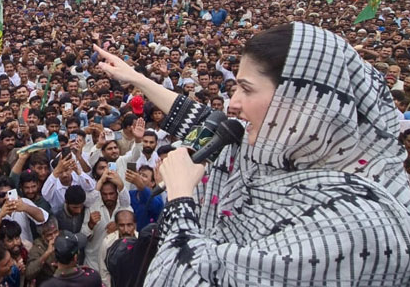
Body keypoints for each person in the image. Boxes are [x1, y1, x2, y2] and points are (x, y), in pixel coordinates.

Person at [94, 23, 410, 285]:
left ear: (300, 101)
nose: (231, 104)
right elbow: (209, 122)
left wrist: (179, 199)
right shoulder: (291, 151)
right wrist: (137, 78)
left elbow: (189, 277)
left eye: (246, 89)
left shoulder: (355, 224)